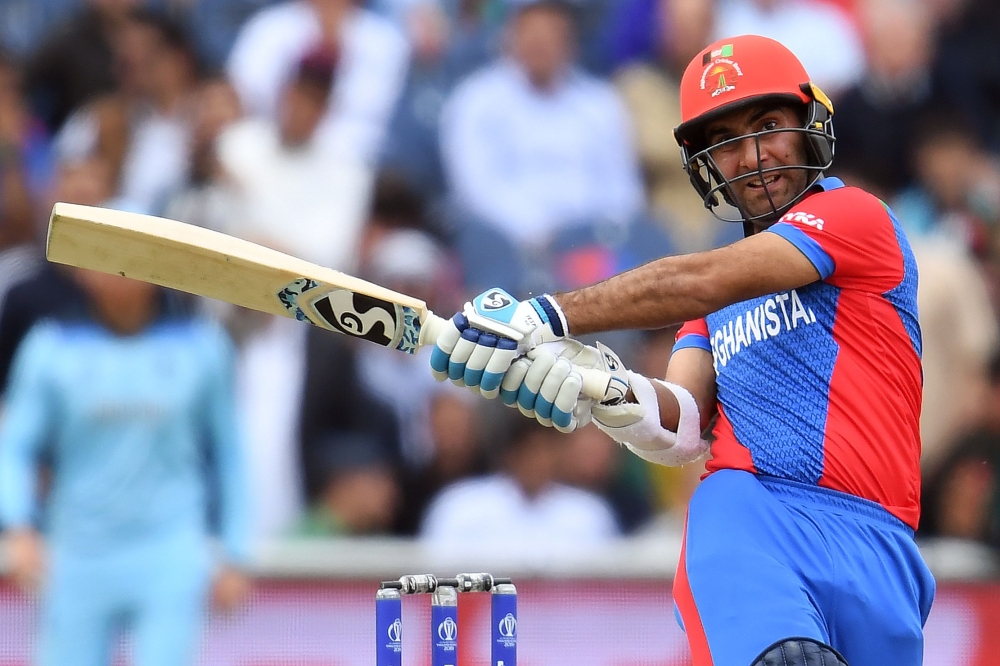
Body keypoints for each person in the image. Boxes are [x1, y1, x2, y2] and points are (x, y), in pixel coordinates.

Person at [430, 34, 935, 665]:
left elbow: (700, 279)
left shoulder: (856, 218)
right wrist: (602, 390)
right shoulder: (712, 304)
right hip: (757, 520)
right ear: (706, 163)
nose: (753, 156)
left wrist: (544, 315)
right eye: (727, 140)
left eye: (769, 126)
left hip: (881, 544)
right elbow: (682, 423)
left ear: (812, 124)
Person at [0, 269, 251, 666]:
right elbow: (14, 447)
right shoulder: (51, 347)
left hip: (168, 549)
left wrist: (236, 552)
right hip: (78, 551)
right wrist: (19, 525)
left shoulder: (201, 346)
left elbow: (229, 454)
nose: (116, 271)